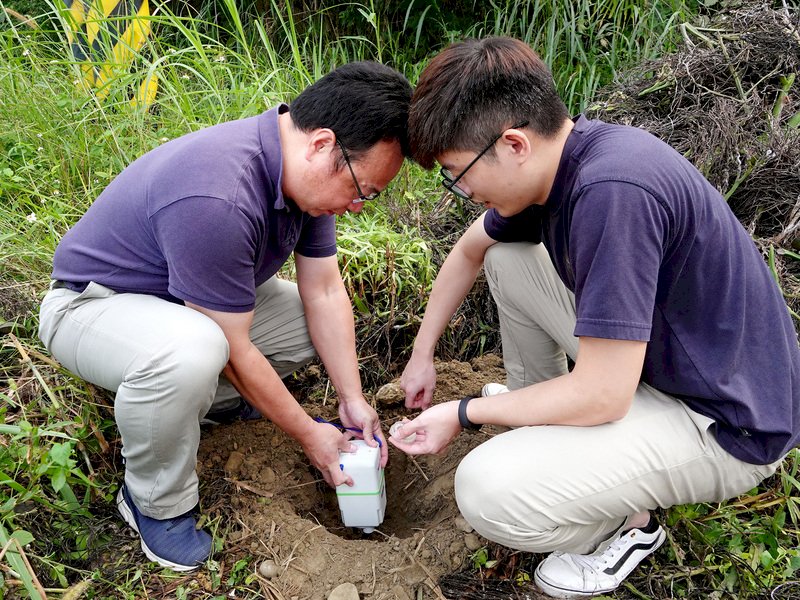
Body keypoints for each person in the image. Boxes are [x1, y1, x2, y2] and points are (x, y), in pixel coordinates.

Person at [388, 37, 800, 598]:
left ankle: (630, 527)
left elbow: (606, 394)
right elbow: (468, 251)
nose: (462, 190)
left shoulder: (611, 193)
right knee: (508, 258)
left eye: (459, 173)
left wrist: (465, 413)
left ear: (512, 144)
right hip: (666, 364)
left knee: (486, 489)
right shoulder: (572, 159)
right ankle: (543, 421)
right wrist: (420, 356)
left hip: (726, 419)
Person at [38, 61, 412, 572]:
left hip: (181, 310)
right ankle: (153, 503)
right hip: (93, 308)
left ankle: (200, 406)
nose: (358, 206)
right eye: (361, 190)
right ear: (323, 145)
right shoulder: (220, 195)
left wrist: (352, 398)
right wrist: (309, 434)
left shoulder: (302, 181)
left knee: (307, 324)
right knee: (195, 350)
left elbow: (324, 291)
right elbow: (231, 344)